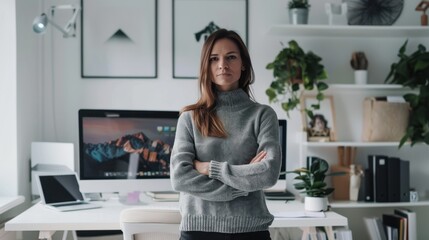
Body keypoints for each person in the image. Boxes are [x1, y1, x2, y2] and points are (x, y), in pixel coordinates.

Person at [170, 29, 281, 240]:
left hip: (251, 230)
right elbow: (180, 178)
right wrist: (242, 183)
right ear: (206, 66)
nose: (223, 64)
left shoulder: (263, 115)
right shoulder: (190, 118)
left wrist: (209, 168)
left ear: (243, 64)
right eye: (214, 59)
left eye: (231, 57)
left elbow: (268, 173)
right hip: (198, 231)